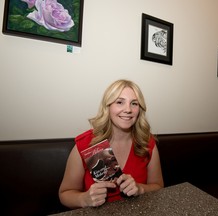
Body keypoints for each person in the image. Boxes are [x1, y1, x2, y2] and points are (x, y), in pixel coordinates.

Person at [59, 79, 164, 209]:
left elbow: (158, 186)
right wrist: (84, 199)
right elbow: (65, 193)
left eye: (134, 103)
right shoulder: (86, 144)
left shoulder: (147, 143)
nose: (128, 109)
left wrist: (140, 189)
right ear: (107, 107)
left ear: (139, 109)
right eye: (120, 102)